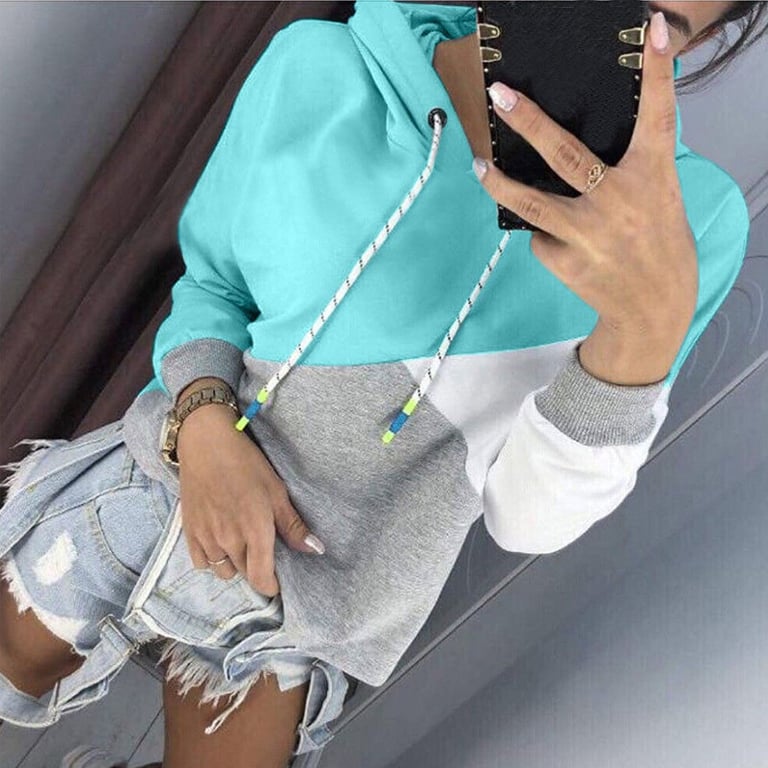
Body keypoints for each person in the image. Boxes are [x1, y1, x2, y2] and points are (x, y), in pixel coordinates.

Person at [1, 1, 765, 767]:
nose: (602, 22)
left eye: (657, 21)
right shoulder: (321, 64)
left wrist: (641, 335)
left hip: (318, 605)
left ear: (698, 41)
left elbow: (526, 521)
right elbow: (213, 287)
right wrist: (201, 429)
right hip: (158, 487)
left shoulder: (685, 233)